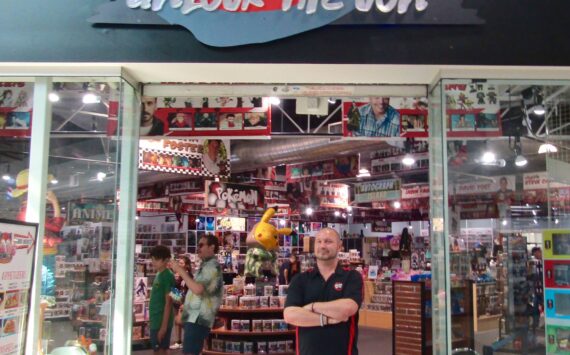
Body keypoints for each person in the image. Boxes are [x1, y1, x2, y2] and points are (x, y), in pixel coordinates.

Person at [284, 228, 363, 355]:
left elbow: (347, 309)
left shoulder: (352, 277)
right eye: (318, 241)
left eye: (328, 241)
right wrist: (326, 320)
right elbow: (290, 315)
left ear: (339, 247)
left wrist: (312, 307)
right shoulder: (300, 280)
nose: (322, 245)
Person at [170, 234, 223, 355]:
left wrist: (179, 270)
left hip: (198, 319)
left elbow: (198, 289)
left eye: (201, 245)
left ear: (212, 247)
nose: (198, 248)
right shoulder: (205, 266)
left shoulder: (211, 266)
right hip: (195, 318)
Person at [149, 245, 176, 354]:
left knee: (161, 350)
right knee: (158, 350)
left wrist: (164, 326)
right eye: (152, 259)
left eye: (156, 259)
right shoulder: (159, 273)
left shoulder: (168, 275)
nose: (153, 262)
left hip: (161, 320)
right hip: (156, 319)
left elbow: (169, 302)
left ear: (165, 260)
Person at [170, 256, 193, 350]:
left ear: (186, 265)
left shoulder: (188, 276)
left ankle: (189, 341)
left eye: (182, 263)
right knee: (176, 322)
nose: (180, 264)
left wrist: (185, 303)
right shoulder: (178, 274)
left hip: (184, 302)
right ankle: (178, 341)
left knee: (183, 322)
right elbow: (175, 288)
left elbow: (190, 290)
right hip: (177, 300)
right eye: (179, 263)